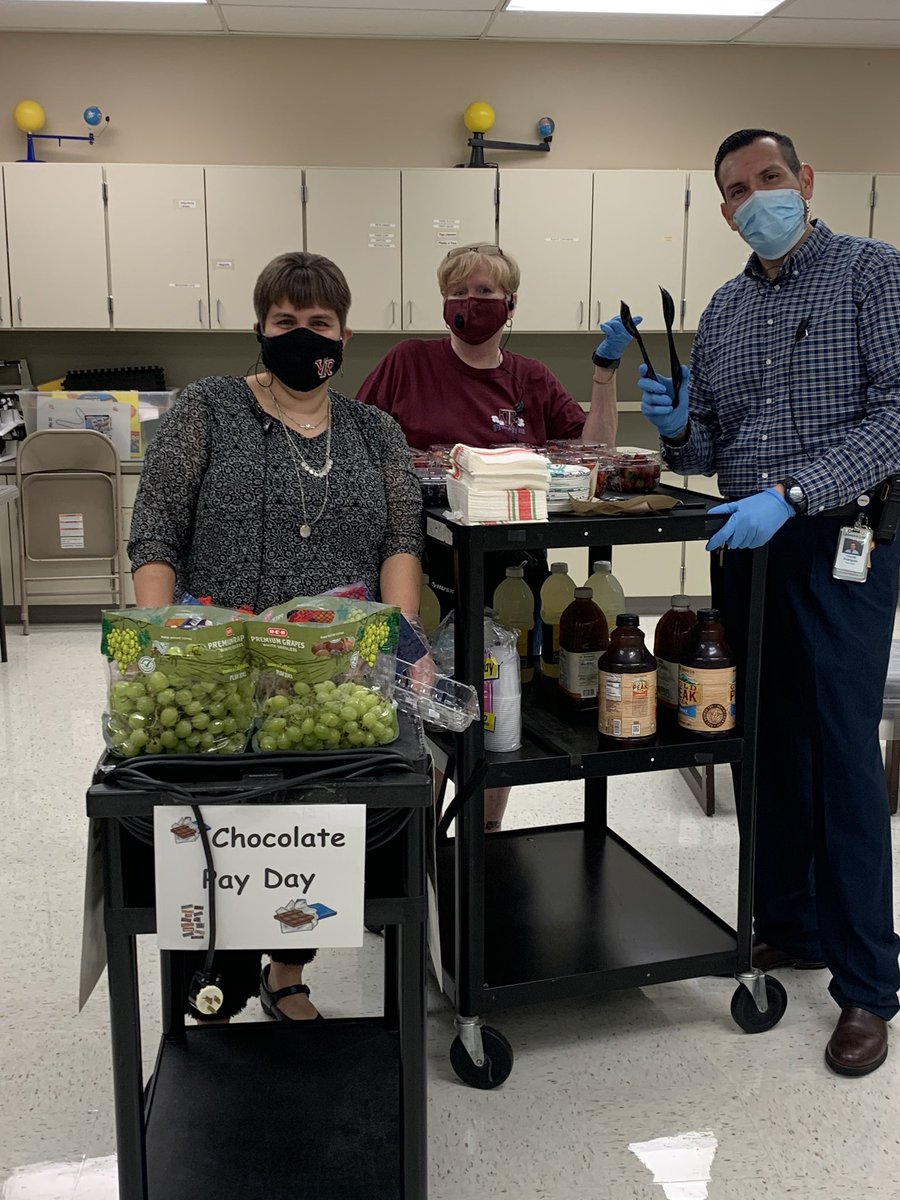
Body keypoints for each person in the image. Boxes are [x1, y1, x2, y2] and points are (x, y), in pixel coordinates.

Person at [638, 128, 900, 1076]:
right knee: (759, 740)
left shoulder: (873, 273)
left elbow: (898, 414)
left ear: (807, 180)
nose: (759, 198)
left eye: (772, 178)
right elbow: (707, 444)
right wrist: (675, 424)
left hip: (839, 543)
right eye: (739, 190)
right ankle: (790, 926)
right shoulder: (725, 305)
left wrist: (794, 494)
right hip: (746, 545)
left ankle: (871, 982)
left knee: (836, 752)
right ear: (723, 210)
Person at [128, 250, 424, 1022]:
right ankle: (213, 962)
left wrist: (407, 639)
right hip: (217, 657)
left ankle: (288, 967)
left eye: (317, 323)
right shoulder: (208, 408)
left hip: (335, 668)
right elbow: (155, 528)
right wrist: (160, 637)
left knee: (320, 824)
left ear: (345, 334)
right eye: (285, 321)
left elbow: (402, 539)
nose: (301, 335)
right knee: (225, 819)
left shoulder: (374, 430)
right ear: (259, 327)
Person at [357, 242, 636, 830]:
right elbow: (362, 443)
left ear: (509, 304)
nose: (470, 302)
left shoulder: (529, 378)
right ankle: (422, 845)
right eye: (458, 290)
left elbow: (596, 454)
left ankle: (486, 839)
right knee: (422, 706)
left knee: (501, 711)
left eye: (485, 291)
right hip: (422, 567)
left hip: (514, 570)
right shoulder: (407, 362)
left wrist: (604, 373)